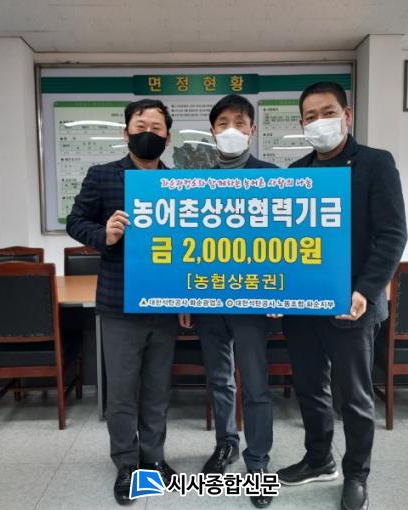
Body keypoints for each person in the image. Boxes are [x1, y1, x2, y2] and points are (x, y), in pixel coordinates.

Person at [276, 82, 407, 510]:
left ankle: (357, 474)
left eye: (328, 113)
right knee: (310, 386)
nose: (320, 122)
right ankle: (319, 459)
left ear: (347, 116)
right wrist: (276, 293)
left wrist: (365, 290)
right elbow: (285, 241)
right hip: (303, 304)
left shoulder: (375, 164)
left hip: (353, 303)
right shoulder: (296, 173)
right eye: (310, 116)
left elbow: (392, 235)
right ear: (302, 124)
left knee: (354, 395)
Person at [67, 99, 178, 506]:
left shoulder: (178, 184)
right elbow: (75, 221)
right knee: (122, 391)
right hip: (119, 304)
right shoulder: (103, 176)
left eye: (156, 127)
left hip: (165, 303)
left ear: (168, 137)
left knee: (157, 389)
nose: (148, 133)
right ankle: (127, 464)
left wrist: (186, 298)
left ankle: (154, 458)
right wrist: (105, 235)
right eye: (140, 125)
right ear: (125, 132)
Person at [179, 94, 278, 509]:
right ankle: (227, 444)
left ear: (252, 130)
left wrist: (281, 292)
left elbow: (284, 242)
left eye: (240, 122)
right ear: (212, 131)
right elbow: (184, 243)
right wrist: (184, 299)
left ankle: (258, 461)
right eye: (223, 123)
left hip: (253, 297)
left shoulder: (273, 179)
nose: (231, 130)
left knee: (254, 382)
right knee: (220, 379)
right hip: (207, 296)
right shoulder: (195, 180)